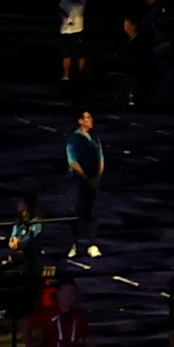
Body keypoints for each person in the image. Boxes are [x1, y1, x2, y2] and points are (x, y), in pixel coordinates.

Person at [61, 111, 104, 260]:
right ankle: (73, 244)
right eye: (86, 118)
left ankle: (92, 244)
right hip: (78, 181)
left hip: (93, 181)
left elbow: (101, 158)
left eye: (91, 117)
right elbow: (73, 161)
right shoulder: (73, 139)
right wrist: (86, 177)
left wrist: (97, 177)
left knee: (92, 212)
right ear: (80, 121)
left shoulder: (95, 139)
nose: (90, 120)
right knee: (76, 213)